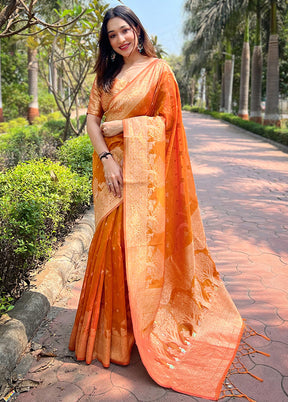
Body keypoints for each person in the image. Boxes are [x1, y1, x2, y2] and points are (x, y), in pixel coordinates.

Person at [69, 5, 244, 400]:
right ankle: (108, 338)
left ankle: (137, 331)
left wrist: (126, 127)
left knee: (136, 251)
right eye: (112, 35)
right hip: (110, 172)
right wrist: (106, 157)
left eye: (124, 31)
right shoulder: (106, 75)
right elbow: (92, 121)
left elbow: (167, 124)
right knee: (110, 246)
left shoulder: (160, 70)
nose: (120, 40)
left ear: (137, 29)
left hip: (143, 176)